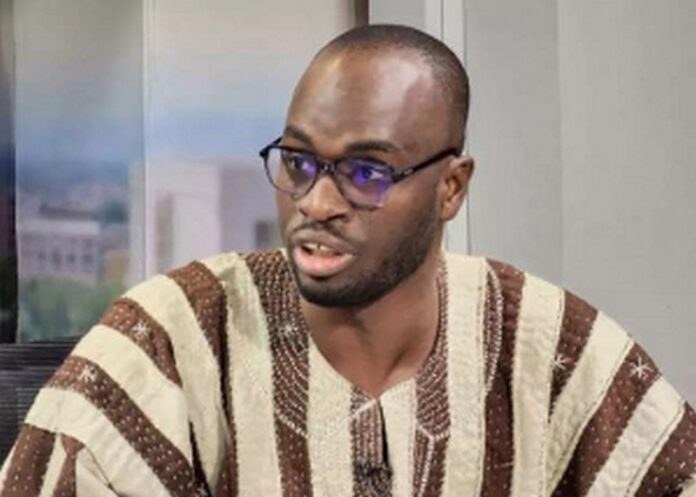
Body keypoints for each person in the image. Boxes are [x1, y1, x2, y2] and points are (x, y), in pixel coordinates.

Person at [1, 24, 694, 497]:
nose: (317, 202)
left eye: (366, 172)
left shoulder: (548, 344)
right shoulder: (171, 338)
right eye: (299, 161)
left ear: (451, 188)